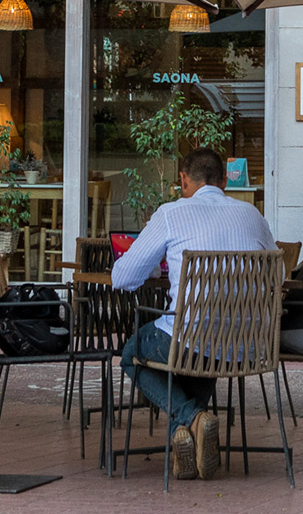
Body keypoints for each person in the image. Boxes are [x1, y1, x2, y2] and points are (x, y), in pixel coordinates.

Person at [113, 147, 277, 481]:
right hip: (245, 347)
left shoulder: (172, 213)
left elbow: (123, 277)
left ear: (185, 180)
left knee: (132, 353)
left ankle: (193, 417)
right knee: (201, 353)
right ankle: (186, 437)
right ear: (223, 183)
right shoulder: (253, 216)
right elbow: (279, 274)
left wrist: (157, 271)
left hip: (190, 340)